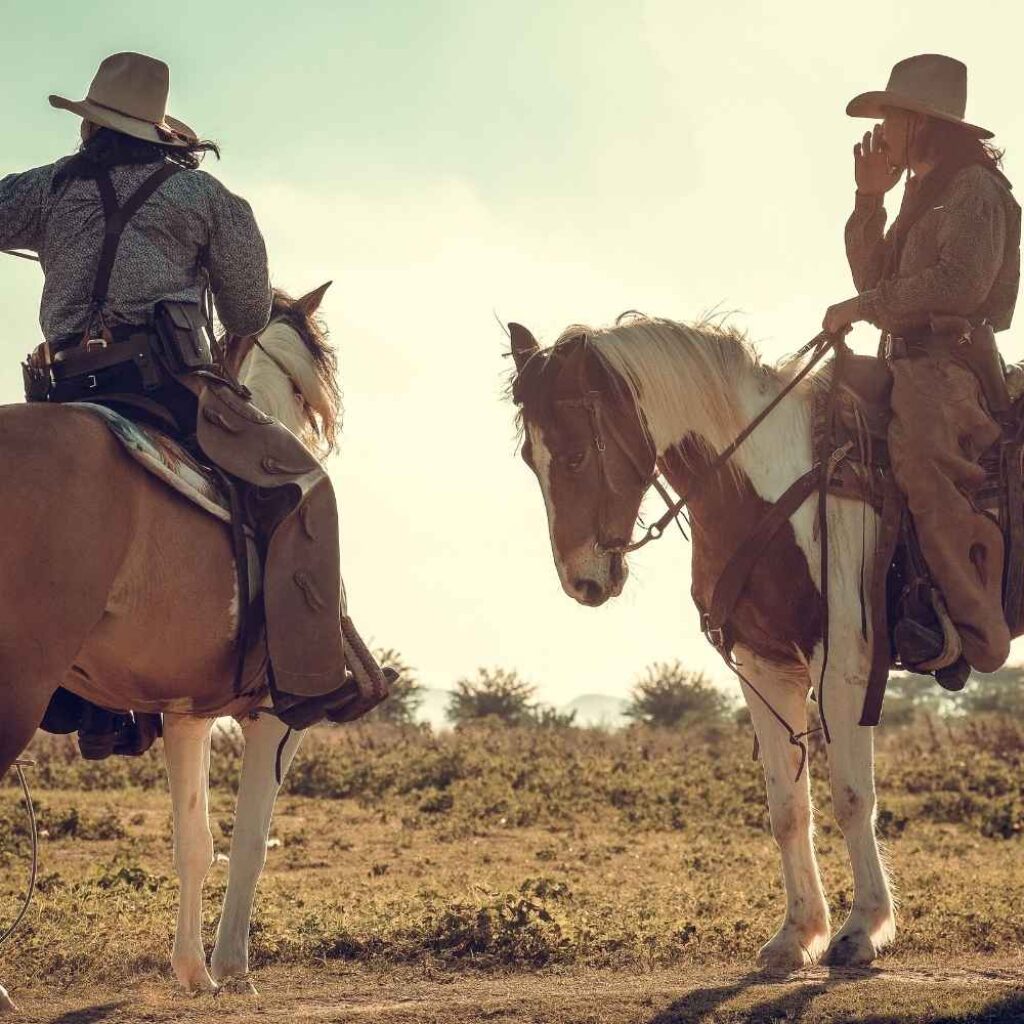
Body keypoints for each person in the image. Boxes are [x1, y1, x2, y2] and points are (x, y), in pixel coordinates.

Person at [0, 52, 387, 747]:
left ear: (90, 126)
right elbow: (245, 314)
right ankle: (306, 674)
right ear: (156, 130)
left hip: (57, 390)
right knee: (303, 483)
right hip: (163, 387)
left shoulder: (51, 189)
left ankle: (86, 698)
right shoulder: (205, 200)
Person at [823, 54, 1021, 688]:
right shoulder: (917, 193)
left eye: (891, 118)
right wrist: (867, 201)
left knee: (921, 460)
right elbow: (876, 279)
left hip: (949, 368)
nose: (881, 132)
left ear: (923, 123)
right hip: (904, 362)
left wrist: (863, 308)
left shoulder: (976, 191)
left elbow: (958, 286)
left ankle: (968, 629)